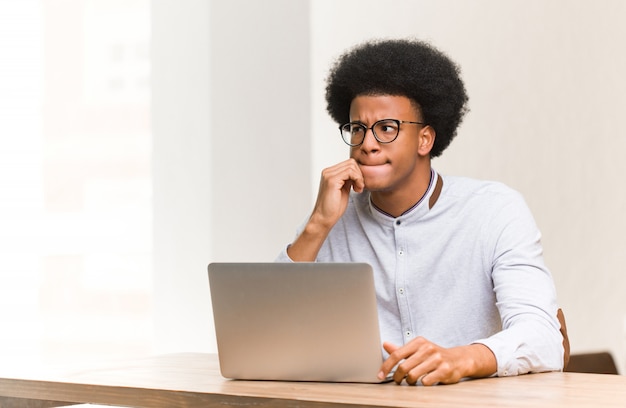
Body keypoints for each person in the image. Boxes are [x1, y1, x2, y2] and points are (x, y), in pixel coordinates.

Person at [275, 38, 564, 385]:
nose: (367, 143)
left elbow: (544, 338)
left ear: (425, 140)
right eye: (357, 129)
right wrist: (317, 226)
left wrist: (460, 359)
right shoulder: (332, 218)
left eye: (386, 128)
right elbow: (268, 335)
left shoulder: (494, 211)